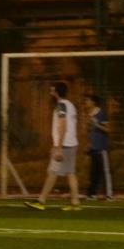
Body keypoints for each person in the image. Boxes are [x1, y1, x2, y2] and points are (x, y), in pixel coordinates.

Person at [25, 81, 81, 211]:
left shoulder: (61, 105)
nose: (50, 92)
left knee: (52, 172)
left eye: (52, 90)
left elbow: (63, 125)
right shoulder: (70, 105)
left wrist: (59, 146)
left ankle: (41, 201)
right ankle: (75, 202)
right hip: (71, 143)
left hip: (64, 145)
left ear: (56, 92)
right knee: (70, 173)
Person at [84, 94, 114, 201]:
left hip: (102, 147)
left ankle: (109, 194)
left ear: (93, 102)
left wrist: (97, 125)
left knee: (105, 171)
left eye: (87, 100)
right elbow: (90, 131)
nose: (85, 102)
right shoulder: (89, 115)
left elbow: (108, 129)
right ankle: (92, 194)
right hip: (94, 148)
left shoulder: (101, 114)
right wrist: (89, 143)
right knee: (94, 172)